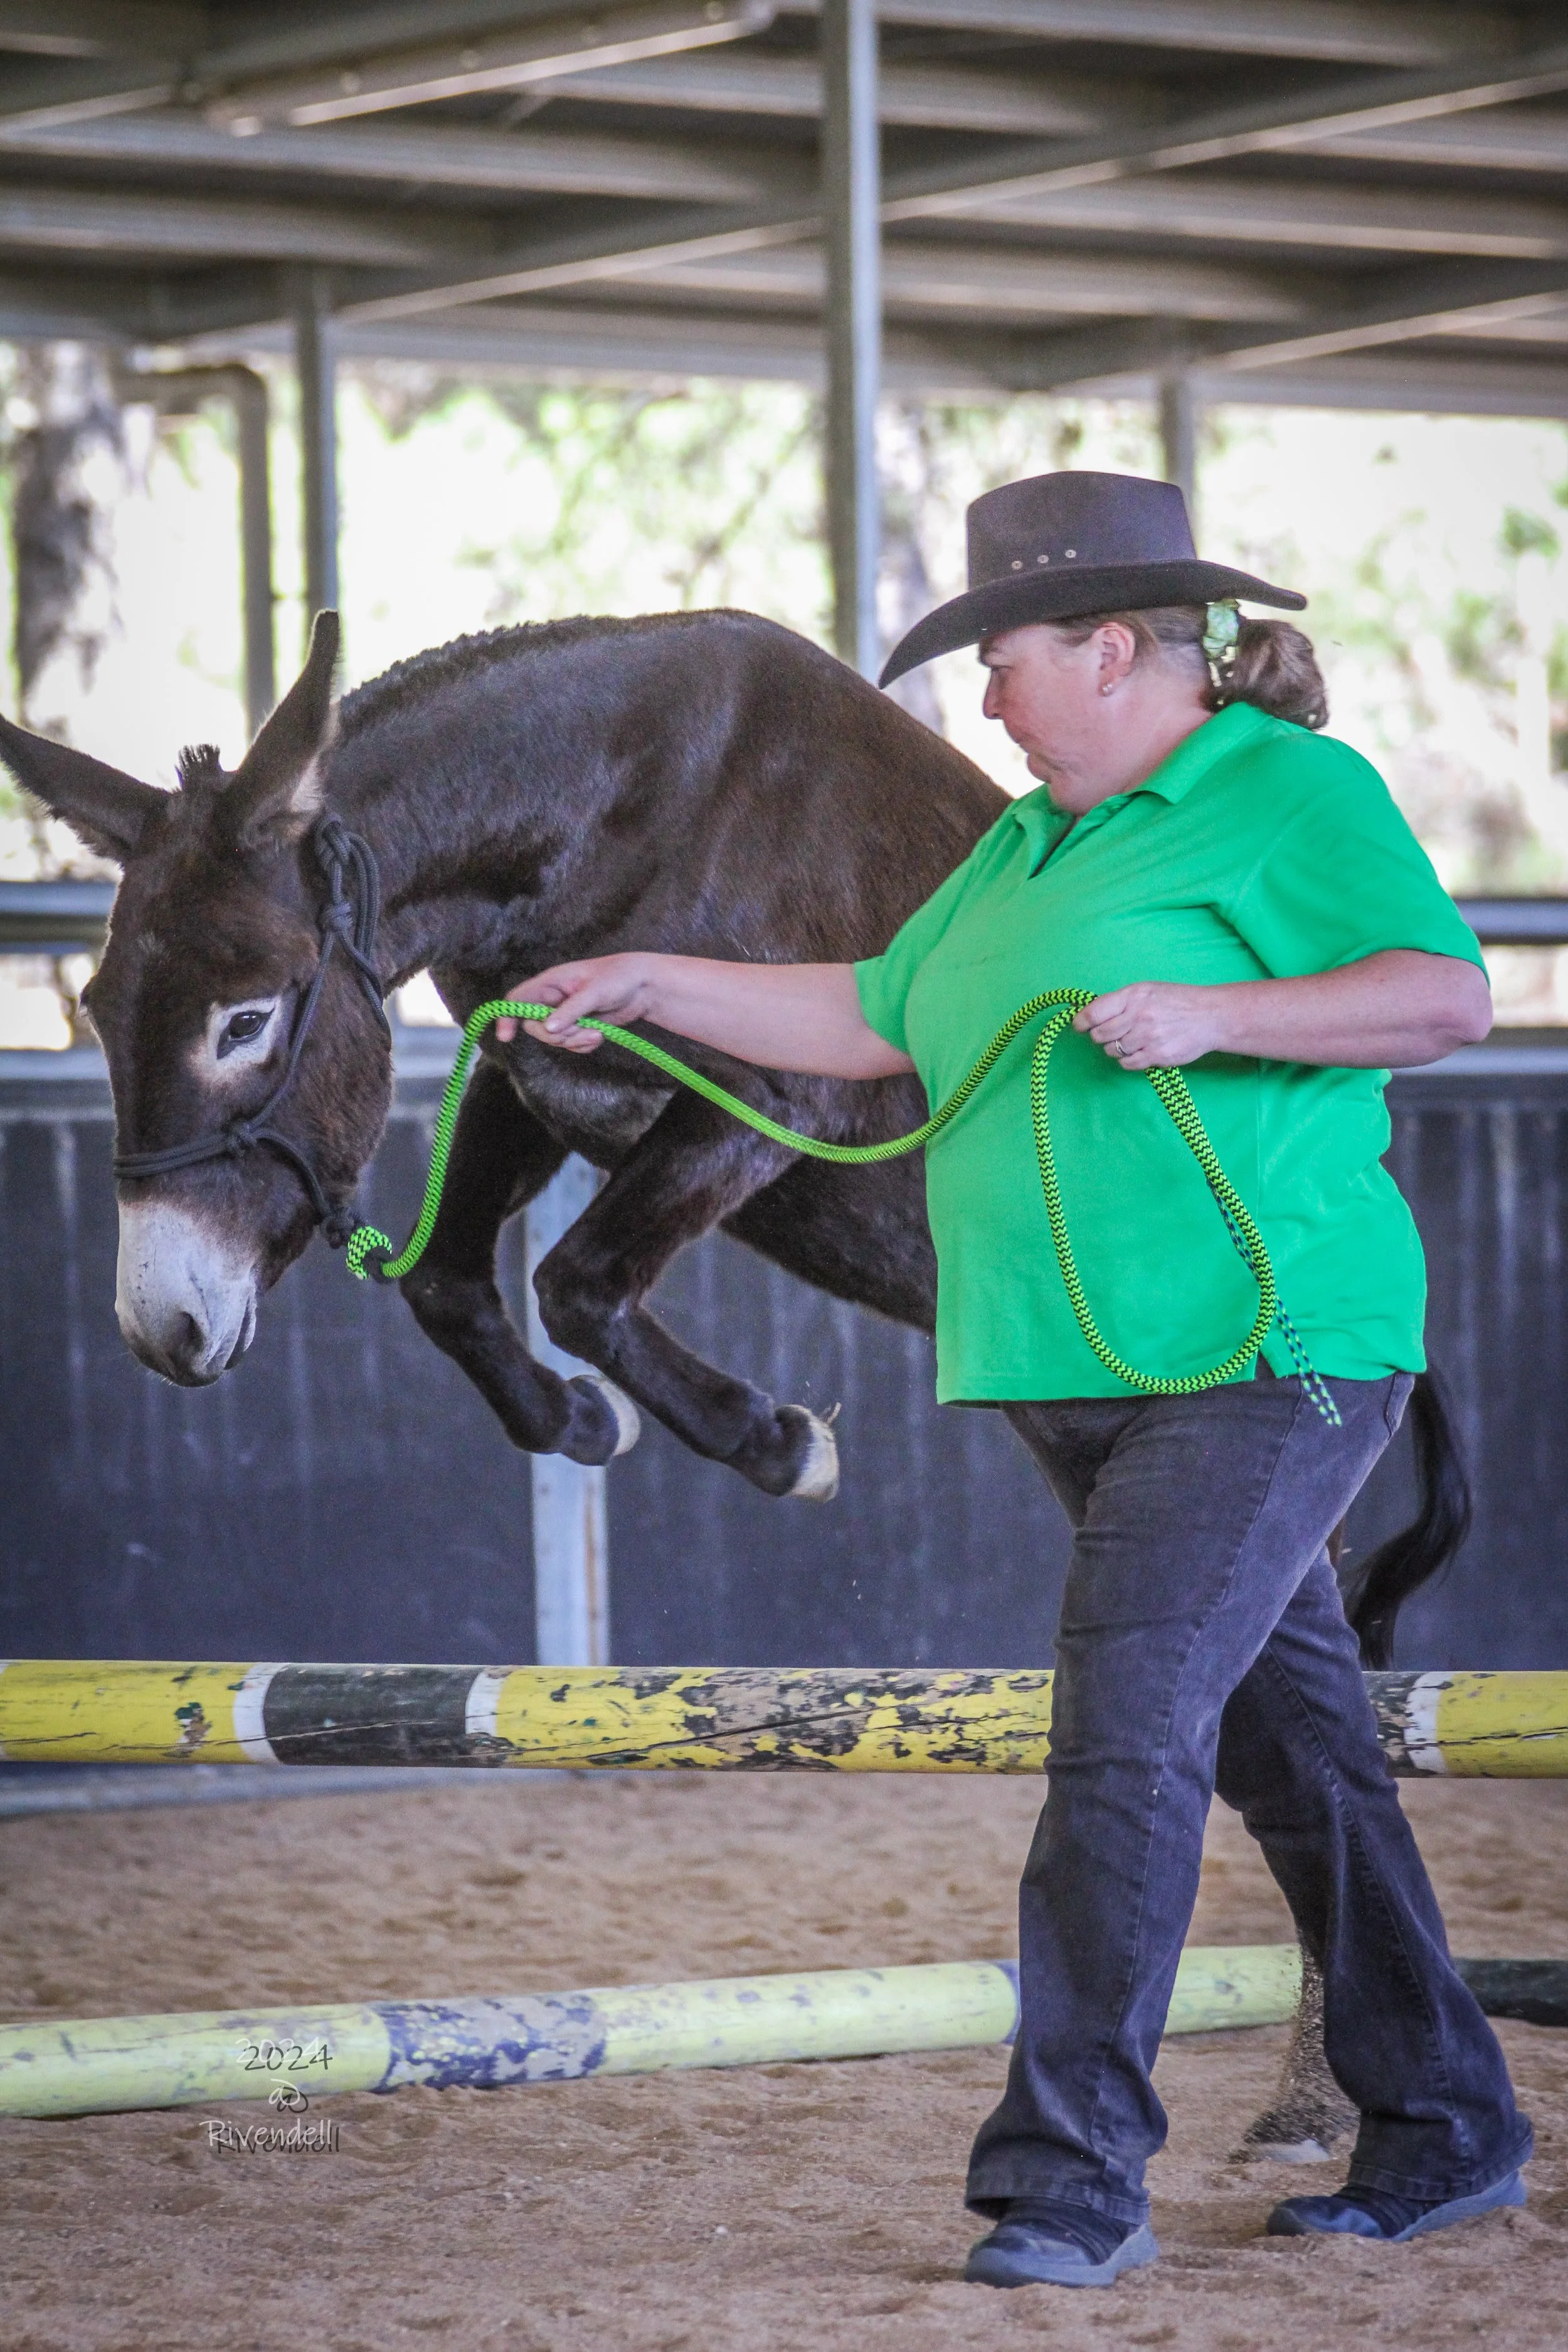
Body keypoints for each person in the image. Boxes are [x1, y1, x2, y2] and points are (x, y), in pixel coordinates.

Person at [500, 471, 1529, 2290]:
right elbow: (882, 1013)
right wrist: (647, 980)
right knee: (1292, 1759)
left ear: (1112, 648)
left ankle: (1067, 2178)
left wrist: (1224, 1015)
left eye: (1007, 659)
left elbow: (1439, 994)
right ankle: (1446, 2120)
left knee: (1123, 1730)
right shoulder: (1028, 843)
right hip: (1070, 1366)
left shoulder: (1287, 793)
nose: (983, 699)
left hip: (1264, 1350)